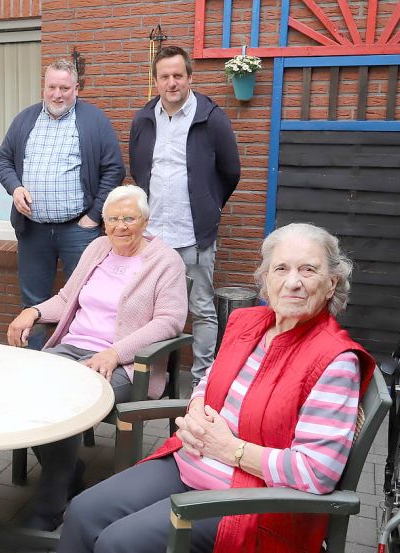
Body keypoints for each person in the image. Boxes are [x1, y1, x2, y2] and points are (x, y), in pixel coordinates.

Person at [58, 223, 376, 553]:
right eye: (281, 268)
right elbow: (210, 380)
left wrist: (232, 450)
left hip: (250, 500)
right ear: (266, 279)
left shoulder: (334, 361)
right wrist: (196, 407)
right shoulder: (250, 323)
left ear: (331, 284)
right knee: (83, 511)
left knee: (117, 542)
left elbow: (317, 471)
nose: (293, 281)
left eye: (308, 270)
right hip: (191, 461)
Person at [7, 185, 188, 531]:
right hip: (73, 347)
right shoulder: (98, 248)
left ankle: (48, 510)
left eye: (129, 218)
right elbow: (65, 299)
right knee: (24, 388)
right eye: (114, 219)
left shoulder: (166, 261)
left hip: (126, 364)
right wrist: (32, 311)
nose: (121, 226)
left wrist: (115, 352)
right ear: (103, 223)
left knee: (68, 402)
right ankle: (68, 468)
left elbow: (169, 321)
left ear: (145, 221)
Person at [128, 46, 241, 387]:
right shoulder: (144, 119)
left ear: (190, 77)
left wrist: (208, 202)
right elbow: (138, 169)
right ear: (156, 81)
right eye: (165, 77)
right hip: (153, 237)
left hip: (194, 234)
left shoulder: (212, 117)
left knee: (202, 308)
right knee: (148, 310)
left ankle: (202, 381)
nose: (172, 83)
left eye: (178, 75)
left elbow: (230, 170)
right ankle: (155, 376)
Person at [0, 59, 125, 351]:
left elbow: (114, 169)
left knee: (82, 299)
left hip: (78, 230)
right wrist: (15, 188)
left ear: (76, 89)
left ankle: (73, 360)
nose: (57, 94)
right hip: (33, 230)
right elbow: (3, 160)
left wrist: (94, 216)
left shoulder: (94, 121)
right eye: (52, 87)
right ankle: (36, 363)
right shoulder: (25, 119)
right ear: (44, 87)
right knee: (34, 302)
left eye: (64, 88)